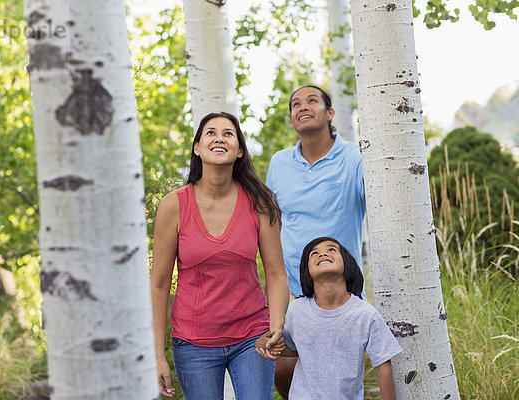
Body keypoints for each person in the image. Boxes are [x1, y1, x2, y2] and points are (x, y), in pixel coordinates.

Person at [150, 111, 290, 399]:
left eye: (229, 133)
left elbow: (276, 274)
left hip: (252, 337)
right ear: (197, 148)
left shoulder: (260, 203)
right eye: (210, 133)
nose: (219, 138)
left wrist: (275, 327)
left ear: (239, 150)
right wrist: (156, 355)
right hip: (194, 343)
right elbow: (159, 284)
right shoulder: (173, 206)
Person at [266, 85, 366, 397]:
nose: (302, 106)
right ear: (292, 120)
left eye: (312, 101)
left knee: (335, 379)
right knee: (281, 368)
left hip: (339, 289)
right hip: (293, 290)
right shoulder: (280, 163)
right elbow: (272, 221)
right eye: (295, 104)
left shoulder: (354, 157)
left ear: (330, 113)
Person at [255, 237, 402, 400]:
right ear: (307, 271)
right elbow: (291, 347)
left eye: (331, 249)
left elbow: (383, 366)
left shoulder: (365, 314)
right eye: (314, 253)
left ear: (348, 264)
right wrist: (267, 344)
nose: (322, 253)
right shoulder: (297, 310)